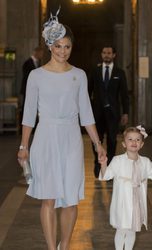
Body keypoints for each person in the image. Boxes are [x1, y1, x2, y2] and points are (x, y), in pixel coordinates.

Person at [17, 9, 106, 250]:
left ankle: (64, 245)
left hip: (71, 138)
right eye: (58, 46)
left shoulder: (79, 75)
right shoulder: (36, 76)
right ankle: (50, 247)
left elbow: (86, 114)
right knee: (48, 197)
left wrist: (99, 145)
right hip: (45, 137)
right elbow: (28, 116)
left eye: (67, 46)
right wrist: (24, 146)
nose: (63, 51)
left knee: (70, 198)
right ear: (49, 46)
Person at [99, 126, 152, 250]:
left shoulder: (145, 162)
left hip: (136, 202)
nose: (134, 142)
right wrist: (103, 163)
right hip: (122, 203)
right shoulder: (118, 161)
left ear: (142, 144)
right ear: (124, 143)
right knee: (122, 229)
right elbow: (106, 175)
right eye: (130, 139)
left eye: (138, 140)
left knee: (132, 230)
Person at [88, 46, 130, 178]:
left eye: (109, 53)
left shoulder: (120, 72)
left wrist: (125, 112)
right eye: (104, 52)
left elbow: (124, 94)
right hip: (97, 112)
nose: (106, 55)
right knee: (96, 139)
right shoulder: (95, 71)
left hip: (113, 112)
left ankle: (110, 165)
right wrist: (86, 111)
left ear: (114, 55)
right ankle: (97, 163)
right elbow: (88, 92)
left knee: (112, 139)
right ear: (102, 54)